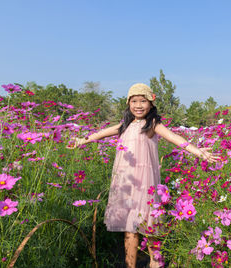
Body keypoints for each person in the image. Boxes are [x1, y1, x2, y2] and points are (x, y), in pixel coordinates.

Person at [68, 83, 220, 268]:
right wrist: (80, 141)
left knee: (150, 227)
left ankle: (156, 264)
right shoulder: (125, 125)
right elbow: (100, 134)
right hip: (125, 183)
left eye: (143, 101)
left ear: (151, 104)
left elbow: (175, 138)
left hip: (145, 183)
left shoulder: (153, 124)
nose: (138, 105)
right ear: (128, 103)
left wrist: (199, 152)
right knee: (130, 229)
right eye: (134, 101)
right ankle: (130, 265)